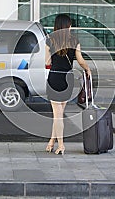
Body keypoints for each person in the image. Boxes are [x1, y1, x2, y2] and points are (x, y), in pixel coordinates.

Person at [45, 14, 91, 155]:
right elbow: (81, 60)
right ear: (68, 26)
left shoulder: (50, 40)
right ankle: (52, 142)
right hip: (68, 79)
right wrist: (87, 69)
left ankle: (61, 145)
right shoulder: (74, 40)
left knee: (57, 115)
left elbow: (47, 62)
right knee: (58, 114)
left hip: (54, 78)